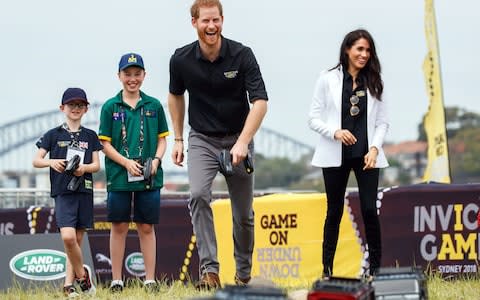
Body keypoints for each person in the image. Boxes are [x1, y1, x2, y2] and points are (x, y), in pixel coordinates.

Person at [168, 0, 268, 290]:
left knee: (243, 216)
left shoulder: (242, 55)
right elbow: (175, 95)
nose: (211, 27)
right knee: (198, 195)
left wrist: (243, 142)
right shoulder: (181, 59)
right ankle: (210, 272)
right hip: (202, 140)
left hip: (238, 139)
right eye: (205, 21)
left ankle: (244, 276)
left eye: (216, 20)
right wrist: (177, 137)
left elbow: (260, 102)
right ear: (194, 23)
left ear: (222, 20)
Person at [308, 29, 389, 278]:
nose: (364, 55)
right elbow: (312, 118)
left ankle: (375, 270)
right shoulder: (327, 78)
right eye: (359, 49)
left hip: (367, 156)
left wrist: (375, 148)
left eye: (367, 50)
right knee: (334, 212)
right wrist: (335, 132)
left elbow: (383, 122)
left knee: (368, 210)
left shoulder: (375, 81)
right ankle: (327, 271)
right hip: (335, 154)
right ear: (347, 49)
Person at [98, 53, 169, 293]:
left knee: (146, 226)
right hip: (119, 176)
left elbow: (162, 140)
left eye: (137, 74)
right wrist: (126, 162)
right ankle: (117, 280)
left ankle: (150, 279)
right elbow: (104, 145)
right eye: (127, 74)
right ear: (119, 76)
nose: (132, 79)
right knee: (118, 225)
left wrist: (158, 160)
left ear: (144, 75)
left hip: (149, 175)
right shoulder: (110, 107)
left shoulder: (154, 105)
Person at [33, 87, 101, 297]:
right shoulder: (53, 135)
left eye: (80, 105)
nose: (76, 108)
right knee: (68, 238)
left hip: (84, 191)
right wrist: (51, 162)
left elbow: (96, 165)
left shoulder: (90, 135)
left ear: (86, 109)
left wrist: (84, 169)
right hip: (63, 192)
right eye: (71, 105)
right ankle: (84, 278)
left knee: (77, 242)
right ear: (62, 108)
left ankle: (68, 286)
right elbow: (36, 161)